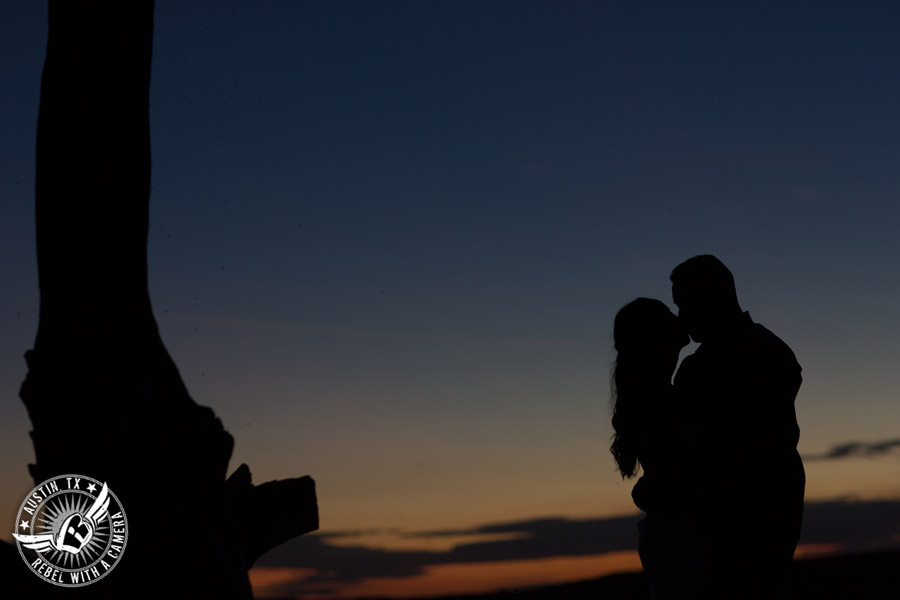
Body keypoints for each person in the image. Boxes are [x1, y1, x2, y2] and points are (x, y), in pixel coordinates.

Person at [670, 255, 804, 599]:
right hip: (767, 514)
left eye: (686, 304)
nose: (682, 318)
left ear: (715, 297)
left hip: (736, 523)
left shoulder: (705, 368)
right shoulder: (772, 349)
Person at [611, 298, 703, 599]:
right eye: (667, 314)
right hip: (683, 545)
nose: (678, 316)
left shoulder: (655, 397)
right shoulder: (662, 403)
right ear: (653, 339)